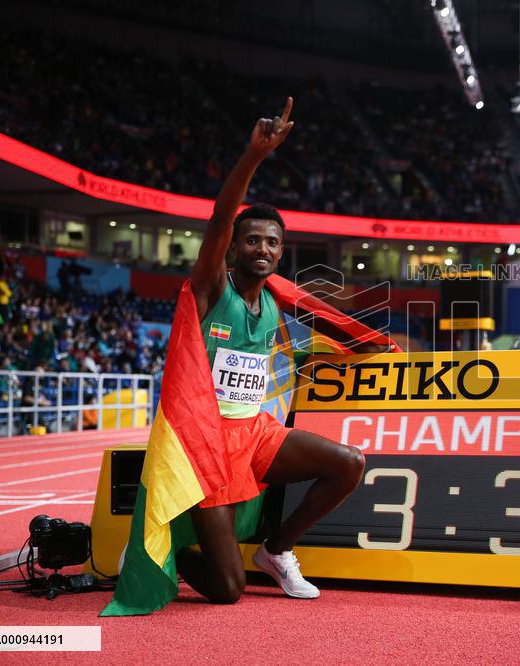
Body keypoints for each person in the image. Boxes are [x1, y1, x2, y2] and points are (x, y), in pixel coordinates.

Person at [176, 100, 368, 604]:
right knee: (227, 591)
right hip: (208, 444)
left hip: (256, 432)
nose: (262, 248)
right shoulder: (213, 289)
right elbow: (219, 221)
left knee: (350, 463)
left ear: (281, 252)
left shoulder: (276, 301)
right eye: (252, 240)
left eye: (272, 243)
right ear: (235, 248)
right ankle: (158, 554)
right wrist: (253, 157)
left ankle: (276, 551)